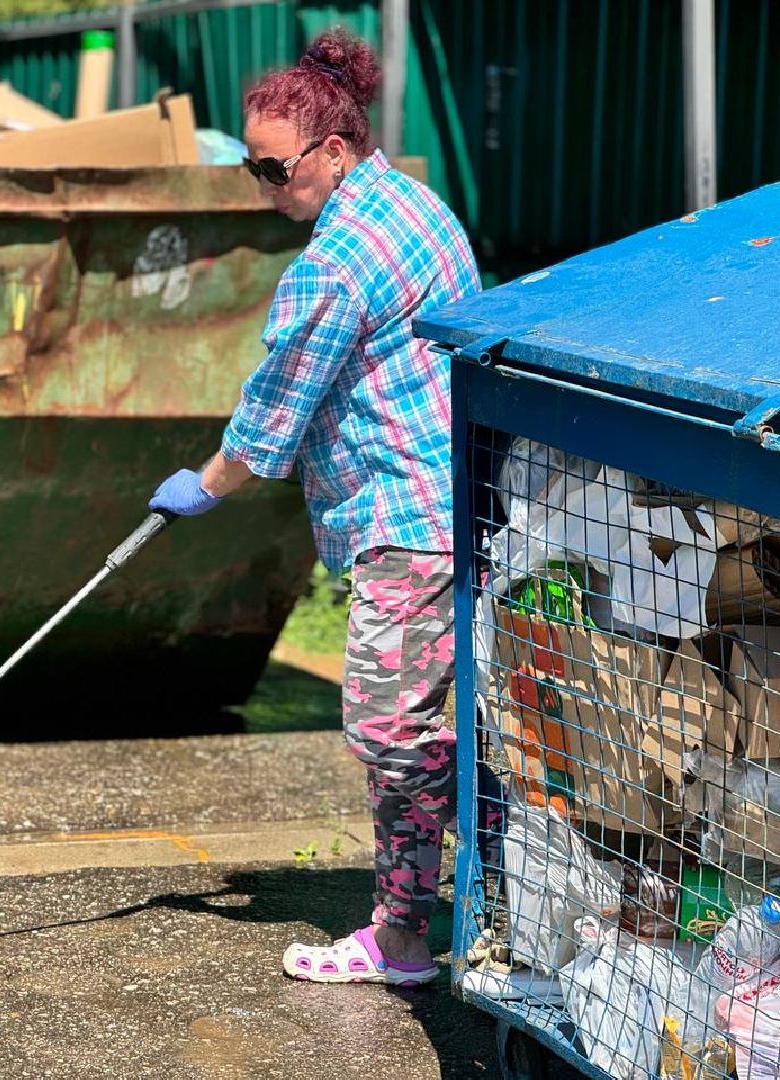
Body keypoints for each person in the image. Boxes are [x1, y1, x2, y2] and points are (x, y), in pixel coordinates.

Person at [148, 27, 480, 986]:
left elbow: (269, 422)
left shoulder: (335, 264)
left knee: (391, 732)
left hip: (403, 523)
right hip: (459, 502)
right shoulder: (413, 204)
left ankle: (407, 938)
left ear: (331, 151)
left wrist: (199, 488)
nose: (262, 188)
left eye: (272, 169)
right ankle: (460, 893)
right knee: (426, 725)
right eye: (250, 168)